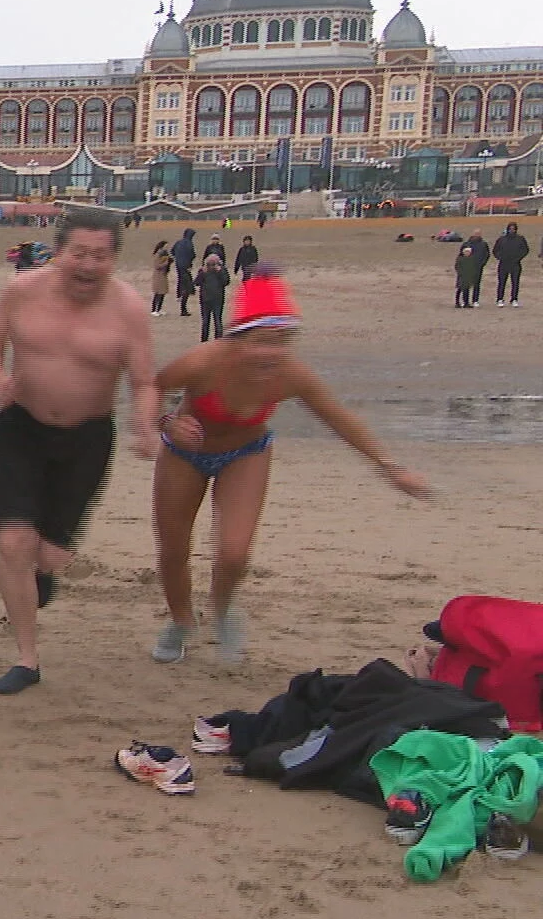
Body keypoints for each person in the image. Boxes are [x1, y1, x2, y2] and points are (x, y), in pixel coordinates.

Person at [150, 270, 432, 665]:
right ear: (237, 339)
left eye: (282, 341)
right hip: (183, 455)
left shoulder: (290, 375)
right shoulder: (203, 363)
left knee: (234, 553)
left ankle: (222, 609)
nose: (272, 352)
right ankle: (180, 622)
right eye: (262, 341)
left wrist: (391, 467)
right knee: (173, 549)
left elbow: (339, 418)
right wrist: (166, 422)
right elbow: (151, 387)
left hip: (245, 453)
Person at [0, 208, 157, 695]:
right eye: (78, 253)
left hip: (86, 440)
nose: (87, 264)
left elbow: (143, 382)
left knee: (51, 558)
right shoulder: (22, 291)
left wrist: (146, 424)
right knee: (14, 544)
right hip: (20, 430)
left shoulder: (129, 309)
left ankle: (41, 575)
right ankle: (26, 660)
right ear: (58, 253)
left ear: (114, 259)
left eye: (99, 256)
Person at [196, 253, 232, 343]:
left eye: (213, 263)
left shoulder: (222, 270)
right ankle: (204, 340)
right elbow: (196, 282)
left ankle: (218, 340)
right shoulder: (203, 271)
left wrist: (220, 272)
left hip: (217, 299)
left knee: (217, 320)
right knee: (206, 321)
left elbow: (226, 282)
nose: (212, 265)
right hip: (206, 299)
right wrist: (201, 273)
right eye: (210, 263)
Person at [492, 222, 529, 307]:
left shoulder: (520, 239)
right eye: (510, 229)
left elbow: (525, 250)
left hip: (515, 264)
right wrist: (499, 257)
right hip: (503, 264)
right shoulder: (501, 239)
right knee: (501, 282)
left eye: (513, 229)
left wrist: (518, 258)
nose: (512, 230)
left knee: (515, 282)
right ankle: (500, 299)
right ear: (507, 229)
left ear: (516, 229)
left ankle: (514, 299)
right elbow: (495, 250)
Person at [456, 230, 490, 308]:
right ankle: (464, 301)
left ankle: (475, 300)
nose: (477, 235)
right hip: (466, 270)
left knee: (476, 284)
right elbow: (460, 256)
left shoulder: (483, 244)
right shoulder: (467, 244)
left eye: (478, 234)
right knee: (464, 286)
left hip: (478, 267)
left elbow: (487, 255)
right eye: (476, 234)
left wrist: (482, 263)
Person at [171, 228, 197, 317]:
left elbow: (172, 251)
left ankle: (179, 294)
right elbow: (192, 254)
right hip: (186, 266)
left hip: (178, 264)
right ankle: (183, 304)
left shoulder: (178, 242)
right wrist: (189, 263)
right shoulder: (189, 243)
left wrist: (178, 258)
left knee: (180, 279)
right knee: (187, 284)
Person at [149, 240, 172, 316]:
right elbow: (157, 266)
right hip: (159, 276)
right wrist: (166, 263)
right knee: (158, 293)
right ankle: (153, 310)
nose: (167, 247)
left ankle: (159, 309)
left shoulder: (165, 254)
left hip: (163, 275)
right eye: (166, 246)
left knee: (162, 293)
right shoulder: (158, 254)